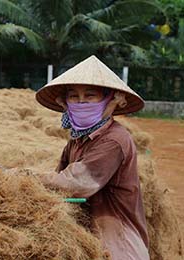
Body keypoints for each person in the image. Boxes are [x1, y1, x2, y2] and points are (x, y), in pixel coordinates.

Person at [35, 55, 149, 260]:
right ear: (64, 103)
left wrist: (19, 176)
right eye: (73, 96)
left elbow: (74, 184)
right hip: (87, 237)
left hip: (117, 244)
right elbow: (58, 183)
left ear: (110, 99)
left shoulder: (113, 140)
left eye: (90, 95)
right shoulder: (76, 141)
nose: (81, 102)